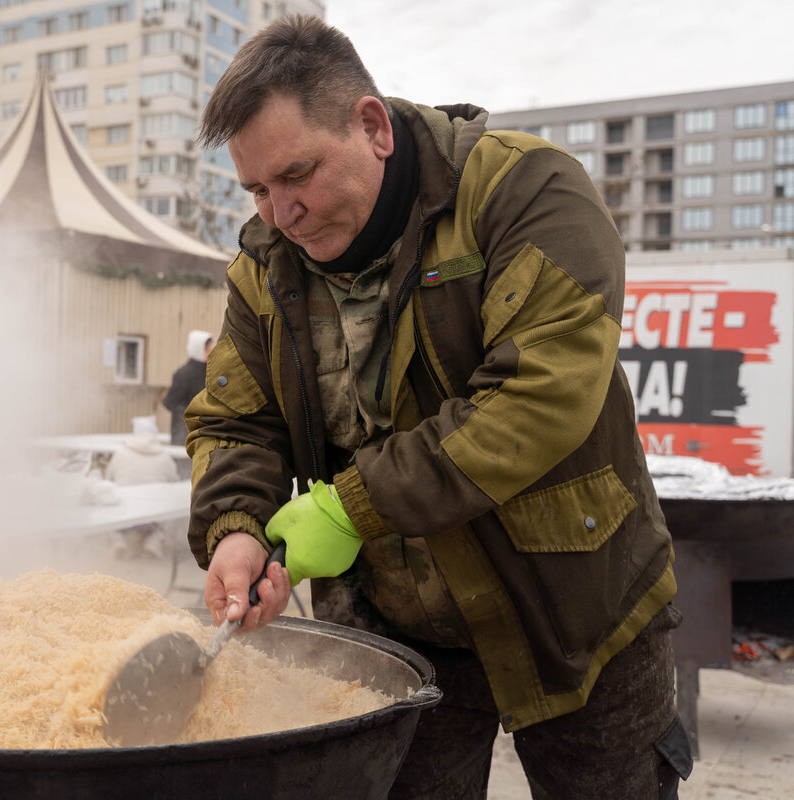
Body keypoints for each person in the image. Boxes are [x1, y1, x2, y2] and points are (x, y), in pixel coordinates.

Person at [182, 14, 691, 799]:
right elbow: (233, 419)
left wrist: (352, 508)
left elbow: (536, 398)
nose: (281, 213)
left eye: (297, 174)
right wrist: (236, 529)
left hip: (575, 613)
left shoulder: (527, 192)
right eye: (256, 189)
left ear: (373, 125)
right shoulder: (264, 268)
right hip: (393, 633)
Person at [105, 432, 180, 559]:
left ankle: (118, 540)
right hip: (154, 518)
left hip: (123, 516)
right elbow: (175, 484)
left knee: (106, 504)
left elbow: (108, 479)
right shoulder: (165, 457)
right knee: (174, 508)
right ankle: (154, 542)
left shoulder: (120, 453)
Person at [160, 329, 214, 450]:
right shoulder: (183, 374)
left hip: (205, 437)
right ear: (198, 350)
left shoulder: (211, 374)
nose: (210, 353)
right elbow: (169, 402)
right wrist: (192, 415)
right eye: (207, 350)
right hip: (183, 439)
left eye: (211, 349)